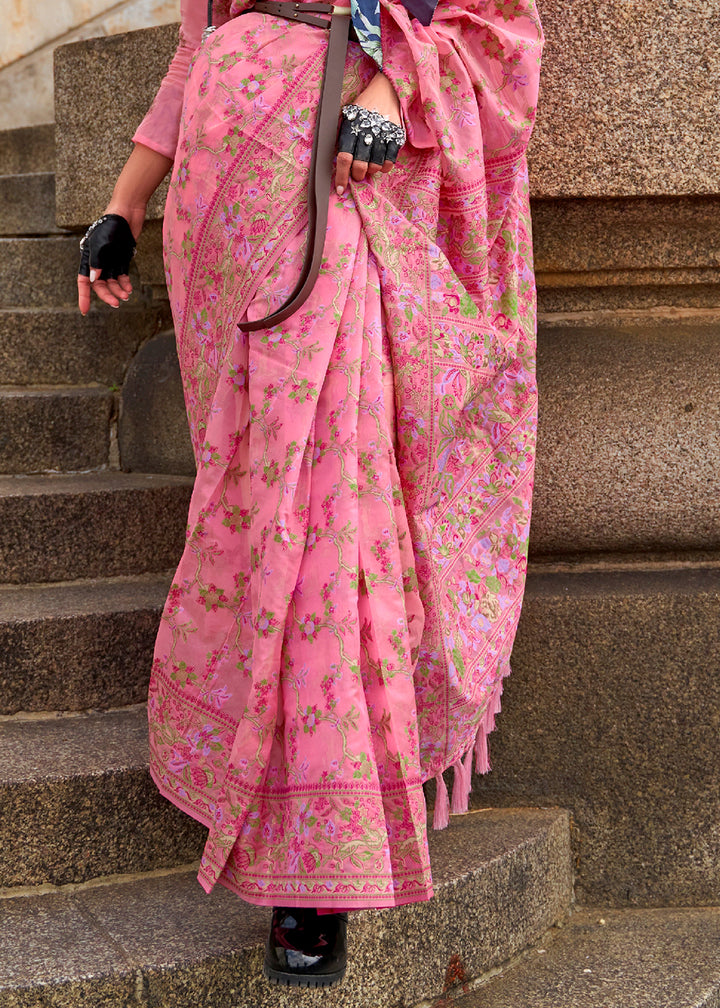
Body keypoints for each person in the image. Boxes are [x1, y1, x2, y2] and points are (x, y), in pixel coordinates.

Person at [77, 0, 542, 988]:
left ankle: (317, 857)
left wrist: (387, 89)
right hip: (222, 207)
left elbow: (489, 22)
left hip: (335, 169)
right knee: (256, 506)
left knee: (330, 497)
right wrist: (124, 204)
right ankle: (271, 776)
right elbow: (196, 48)